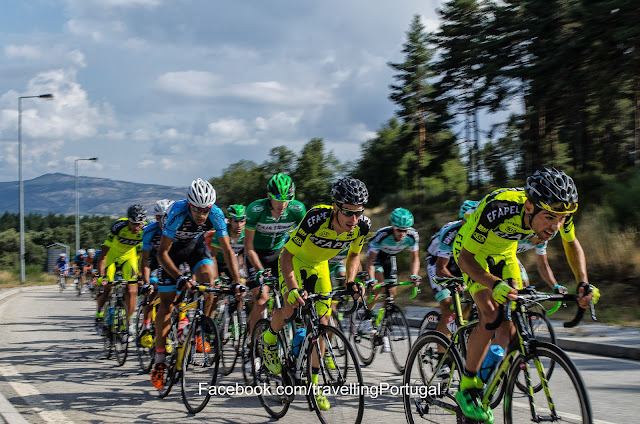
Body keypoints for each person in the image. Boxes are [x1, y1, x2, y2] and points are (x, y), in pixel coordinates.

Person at [452, 167, 600, 423]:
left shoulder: (559, 212)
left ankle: (487, 379)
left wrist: (583, 283)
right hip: (472, 253)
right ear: (529, 206)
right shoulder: (500, 208)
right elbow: (465, 259)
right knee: (490, 313)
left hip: (505, 253)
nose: (555, 226)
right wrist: (492, 282)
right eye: (549, 217)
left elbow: (570, 242)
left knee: (510, 328)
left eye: (562, 218)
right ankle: (467, 387)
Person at [261, 176, 371, 411]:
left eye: (358, 213)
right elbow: (287, 256)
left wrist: (351, 281)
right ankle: (269, 339)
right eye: (348, 213)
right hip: (295, 262)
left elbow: (354, 255)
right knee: (291, 308)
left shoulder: (362, 226)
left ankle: (314, 385)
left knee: (323, 323)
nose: (354, 219)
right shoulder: (316, 218)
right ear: (335, 207)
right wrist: (292, 288)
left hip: (320, 265)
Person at [151, 178, 242, 390]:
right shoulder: (177, 212)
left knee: (210, 282)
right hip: (171, 251)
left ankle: (201, 328)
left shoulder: (217, 214)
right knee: (166, 303)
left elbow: (228, 251)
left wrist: (238, 282)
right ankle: (159, 360)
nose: (202, 215)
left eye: (206, 210)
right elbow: (162, 253)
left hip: (195, 248)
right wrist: (180, 277)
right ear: (189, 205)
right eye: (198, 210)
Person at [244, 173, 306, 335]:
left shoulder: (297, 209)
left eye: (288, 198)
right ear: (269, 196)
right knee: (262, 300)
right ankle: (252, 347)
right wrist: (259, 269)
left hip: (279, 255)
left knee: (291, 299)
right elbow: (248, 246)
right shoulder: (256, 209)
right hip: (256, 255)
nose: (283, 204)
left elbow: (304, 242)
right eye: (278, 198)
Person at [424, 200, 477, 341]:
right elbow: (441, 268)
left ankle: (458, 328)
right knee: (448, 306)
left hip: (459, 262)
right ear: (462, 220)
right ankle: (444, 357)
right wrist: (456, 282)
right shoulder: (451, 232)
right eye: (467, 221)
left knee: (474, 299)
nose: (471, 226)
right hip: (437, 262)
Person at [365, 208, 421, 331]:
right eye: (399, 230)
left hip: (389, 257)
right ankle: (367, 317)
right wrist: (371, 279)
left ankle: (384, 321)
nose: (402, 233)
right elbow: (370, 261)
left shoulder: (412, 236)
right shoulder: (382, 235)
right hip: (377, 258)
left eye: (405, 230)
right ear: (392, 226)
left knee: (392, 291)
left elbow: (414, 258)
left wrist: (414, 275)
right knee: (379, 286)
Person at [95, 205, 147, 336]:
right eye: (133, 223)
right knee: (107, 287)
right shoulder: (118, 227)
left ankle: (128, 322)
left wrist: (140, 275)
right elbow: (103, 255)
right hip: (112, 257)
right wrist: (101, 276)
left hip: (129, 258)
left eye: (139, 224)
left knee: (132, 290)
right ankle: (99, 315)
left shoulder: (145, 230)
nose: (136, 227)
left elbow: (143, 256)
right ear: (128, 220)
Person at [138, 199, 174, 346]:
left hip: (170, 260)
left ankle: (172, 331)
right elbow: (145, 259)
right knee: (151, 291)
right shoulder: (150, 230)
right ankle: (146, 327)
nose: (163, 221)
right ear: (155, 217)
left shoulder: (176, 228)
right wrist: (146, 282)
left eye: (166, 217)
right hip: (153, 261)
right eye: (159, 217)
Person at [209, 204, 247, 278]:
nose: (239, 225)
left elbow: (243, 256)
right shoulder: (221, 232)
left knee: (242, 283)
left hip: (232, 263)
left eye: (242, 221)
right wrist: (216, 278)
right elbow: (213, 256)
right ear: (229, 221)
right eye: (236, 221)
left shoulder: (246, 233)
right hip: (217, 263)